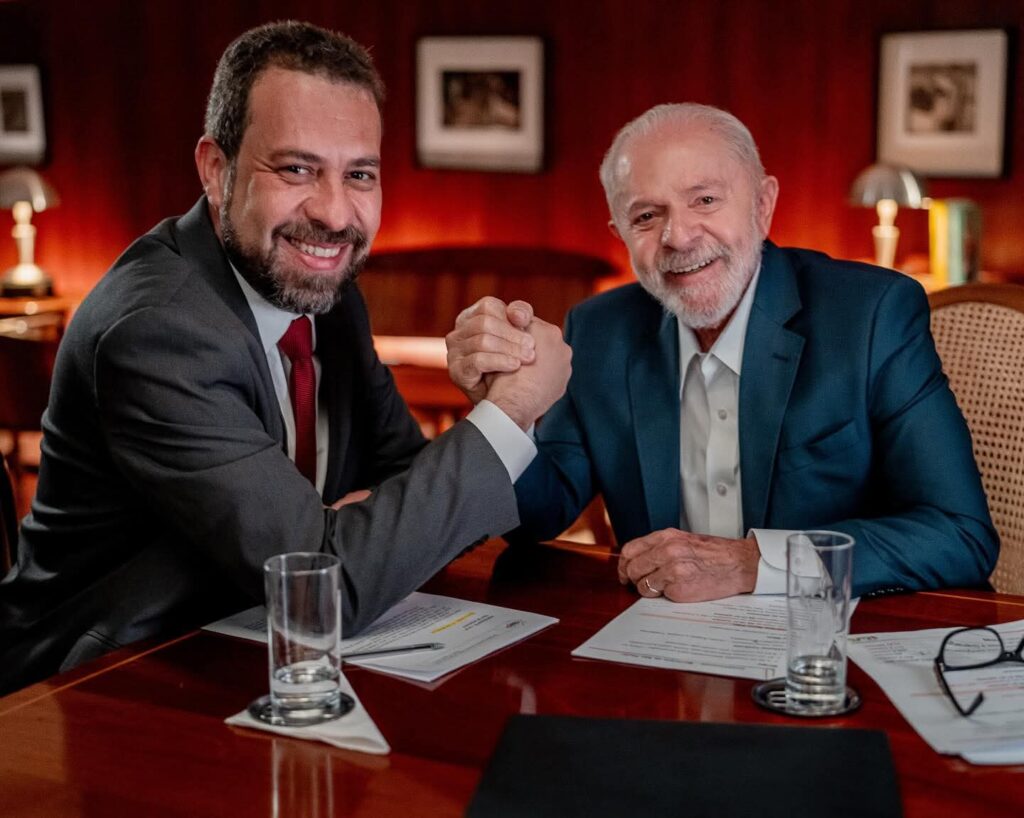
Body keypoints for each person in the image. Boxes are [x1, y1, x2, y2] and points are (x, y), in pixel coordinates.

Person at [0, 21, 569, 695]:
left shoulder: (326, 295)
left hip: (250, 652)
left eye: (359, 175)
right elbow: (326, 585)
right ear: (217, 169)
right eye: (297, 169)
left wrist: (360, 525)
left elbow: (406, 486)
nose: (334, 214)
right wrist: (508, 411)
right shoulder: (157, 330)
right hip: (92, 686)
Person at [447, 102, 997, 603]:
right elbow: (538, 517)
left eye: (705, 200)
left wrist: (753, 564)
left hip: (828, 641)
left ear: (763, 204)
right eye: (647, 216)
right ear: (620, 233)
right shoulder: (599, 330)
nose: (679, 236)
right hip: (659, 645)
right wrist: (504, 409)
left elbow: (959, 533)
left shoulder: (871, 314)